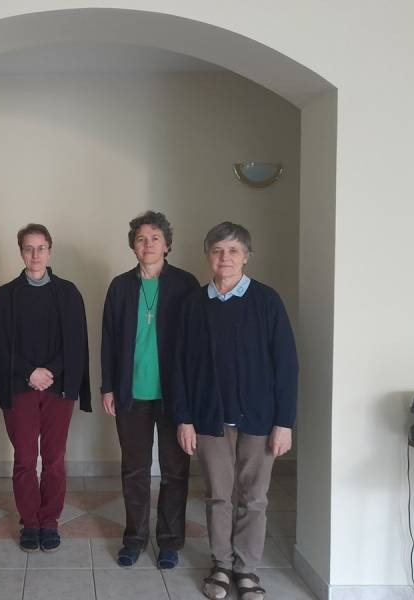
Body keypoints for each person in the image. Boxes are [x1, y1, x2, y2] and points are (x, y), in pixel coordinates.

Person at [173, 222, 298, 600]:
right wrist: (184, 418)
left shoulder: (267, 301)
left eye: (233, 251)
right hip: (209, 418)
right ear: (208, 256)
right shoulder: (193, 304)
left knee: (254, 497)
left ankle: (246, 569)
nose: (224, 258)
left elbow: (286, 365)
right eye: (217, 251)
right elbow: (179, 365)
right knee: (218, 495)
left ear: (246, 257)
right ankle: (222, 565)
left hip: (260, 419)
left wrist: (284, 422)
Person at [100, 210, 199, 569]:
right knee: (134, 470)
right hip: (131, 395)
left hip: (175, 397)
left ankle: (170, 541)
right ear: (133, 246)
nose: (148, 244)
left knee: (175, 472)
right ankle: (135, 539)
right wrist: (108, 386)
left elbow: (196, 345)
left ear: (167, 244)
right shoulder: (120, 286)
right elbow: (109, 339)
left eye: (155, 238)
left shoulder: (186, 284)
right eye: (141, 238)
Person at [0, 223, 91, 553]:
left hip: (58, 390)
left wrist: (51, 372)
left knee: (54, 459)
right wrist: (29, 373)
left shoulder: (68, 293)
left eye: (41, 248)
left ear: (49, 250)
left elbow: (76, 342)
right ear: (20, 251)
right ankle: (30, 522)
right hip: (19, 388)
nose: (35, 255)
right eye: (28, 248)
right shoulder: (4, 296)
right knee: (25, 458)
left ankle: (49, 521)